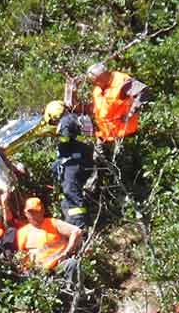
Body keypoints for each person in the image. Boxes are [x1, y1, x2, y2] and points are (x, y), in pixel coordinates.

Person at [76, 63, 149, 202]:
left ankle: (133, 197)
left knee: (123, 167)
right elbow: (97, 108)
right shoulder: (99, 88)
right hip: (104, 136)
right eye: (93, 82)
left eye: (96, 81)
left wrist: (131, 112)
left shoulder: (121, 82)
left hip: (122, 136)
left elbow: (144, 91)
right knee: (99, 163)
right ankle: (95, 193)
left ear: (103, 76)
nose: (95, 84)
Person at [16, 197, 83, 275]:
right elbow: (21, 256)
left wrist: (66, 253)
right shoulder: (22, 232)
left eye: (36, 211)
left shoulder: (53, 223)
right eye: (31, 212)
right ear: (25, 213)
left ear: (42, 211)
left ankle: (71, 286)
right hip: (38, 273)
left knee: (72, 263)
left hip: (58, 266)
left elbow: (76, 231)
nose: (33, 215)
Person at [52, 113, 94, 229]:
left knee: (72, 194)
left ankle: (79, 228)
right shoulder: (76, 119)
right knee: (70, 196)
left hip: (73, 163)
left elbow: (65, 141)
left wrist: (60, 141)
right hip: (82, 162)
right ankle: (74, 225)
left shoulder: (65, 121)